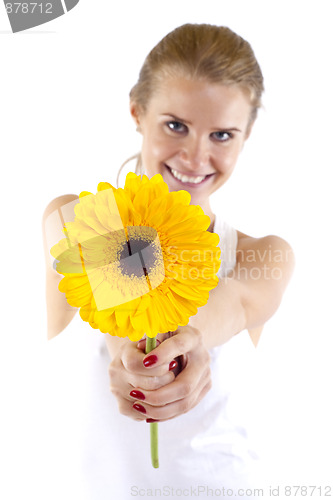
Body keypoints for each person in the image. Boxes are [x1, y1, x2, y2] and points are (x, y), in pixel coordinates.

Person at [43, 23, 294, 499]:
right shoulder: (73, 216)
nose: (196, 155)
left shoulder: (264, 255)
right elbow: (115, 302)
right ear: (137, 112)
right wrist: (137, 362)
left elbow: (234, 303)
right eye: (175, 125)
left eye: (222, 134)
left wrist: (188, 341)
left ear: (247, 136)